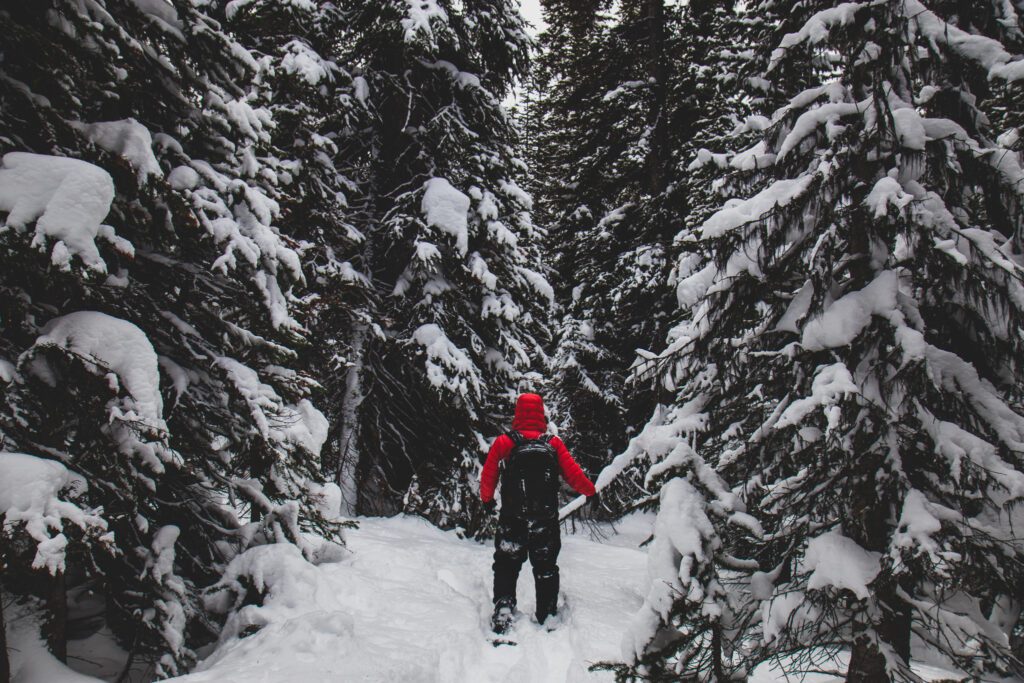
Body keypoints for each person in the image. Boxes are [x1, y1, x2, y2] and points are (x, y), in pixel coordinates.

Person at [480, 392, 597, 634]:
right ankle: (547, 614)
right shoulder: (552, 443)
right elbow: (573, 473)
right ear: (541, 413)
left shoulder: (505, 442)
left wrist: (487, 500)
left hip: (513, 516)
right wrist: (591, 492)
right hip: (545, 519)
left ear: (518, 414)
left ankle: (503, 608)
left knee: (506, 563)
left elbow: (489, 473)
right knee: (545, 565)